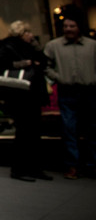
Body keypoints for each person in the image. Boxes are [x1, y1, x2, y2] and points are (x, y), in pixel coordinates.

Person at [0, 21, 52, 182]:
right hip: (20, 95)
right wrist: (25, 63)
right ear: (21, 33)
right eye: (28, 32)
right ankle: (19, 169)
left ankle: (35, 168)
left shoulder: (32, 46)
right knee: (24, 132)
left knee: (34, 132)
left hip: (34, 92)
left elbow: (44, 61)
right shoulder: (9, 46)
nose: (31, 35)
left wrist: (37, 47)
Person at [44, 10, 96, 180]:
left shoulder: (92, 45)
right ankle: (72, 165)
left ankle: (92, 165)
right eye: (65, 26)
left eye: (72, 26)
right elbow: (45, 66)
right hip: (67, 92)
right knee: (69, 129)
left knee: (92, 129)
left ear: (79, 27)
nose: (68, 29)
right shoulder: (54, 46)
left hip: (89, 91)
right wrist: (58, 77)